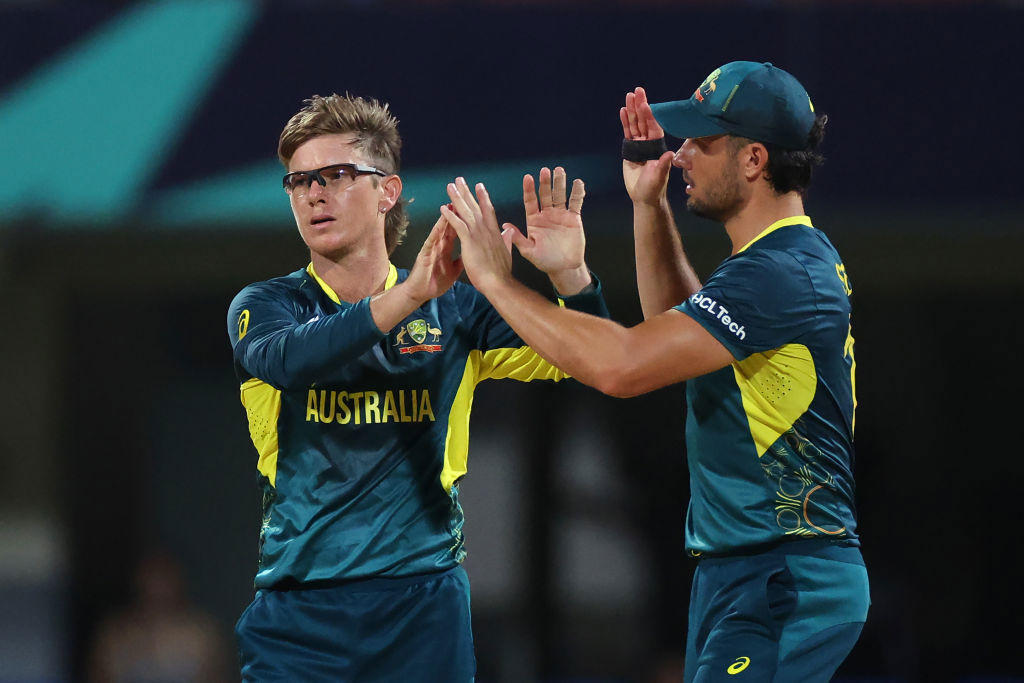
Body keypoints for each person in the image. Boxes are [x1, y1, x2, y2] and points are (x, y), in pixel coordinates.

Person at [441, 61, 869, 682]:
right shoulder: (775, 262)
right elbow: (675, 331)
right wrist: (644, 209)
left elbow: (622, 367)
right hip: (751, 572)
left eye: (702, 141)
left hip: (784, 574)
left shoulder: (778, 274)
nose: (681, 154)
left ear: (753, 160)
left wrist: (494, 282)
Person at [225, 93, 607, 682]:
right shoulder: (267, 306)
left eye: (336, 175)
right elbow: (288, 362)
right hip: (299, 614)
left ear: (388, 190)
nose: (314, 193)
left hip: (422, 607)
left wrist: (570, 276)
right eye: (298, 181)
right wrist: (408, 296)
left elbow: (595, 358)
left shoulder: (454, 307)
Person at [86, 549, 231, 683]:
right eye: (151, 580)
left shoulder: (201, 635)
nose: (157, 589)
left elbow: (216, 676)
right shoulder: (115, 635)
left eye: (163, 581)